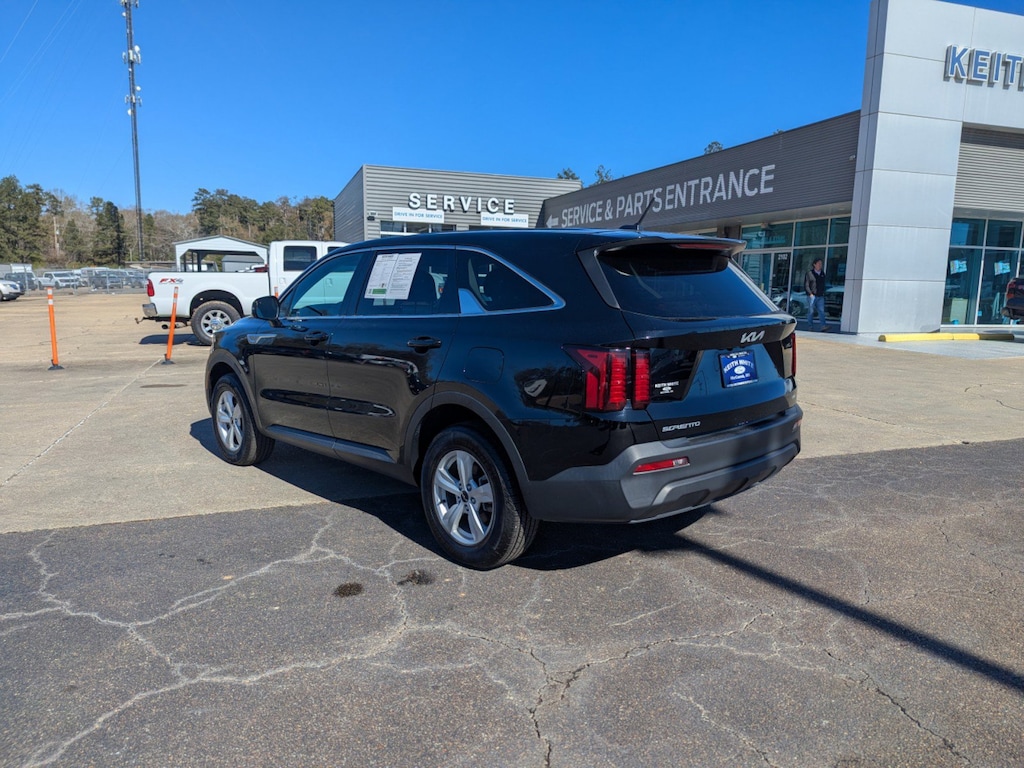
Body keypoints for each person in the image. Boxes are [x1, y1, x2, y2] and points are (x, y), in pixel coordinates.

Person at [804, 258, 828, 331]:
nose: (820, 265)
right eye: (819, 263)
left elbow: (823, 284)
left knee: (821, 311)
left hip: (820, 296)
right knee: (811, 311)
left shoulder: (822, 274)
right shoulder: (809, 273)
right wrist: (810, 294)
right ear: (814, 264)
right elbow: (806, 285)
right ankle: (810, 327)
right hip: (812, 296)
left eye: (821, 264)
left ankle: (823, 326)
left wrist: (823, 293)